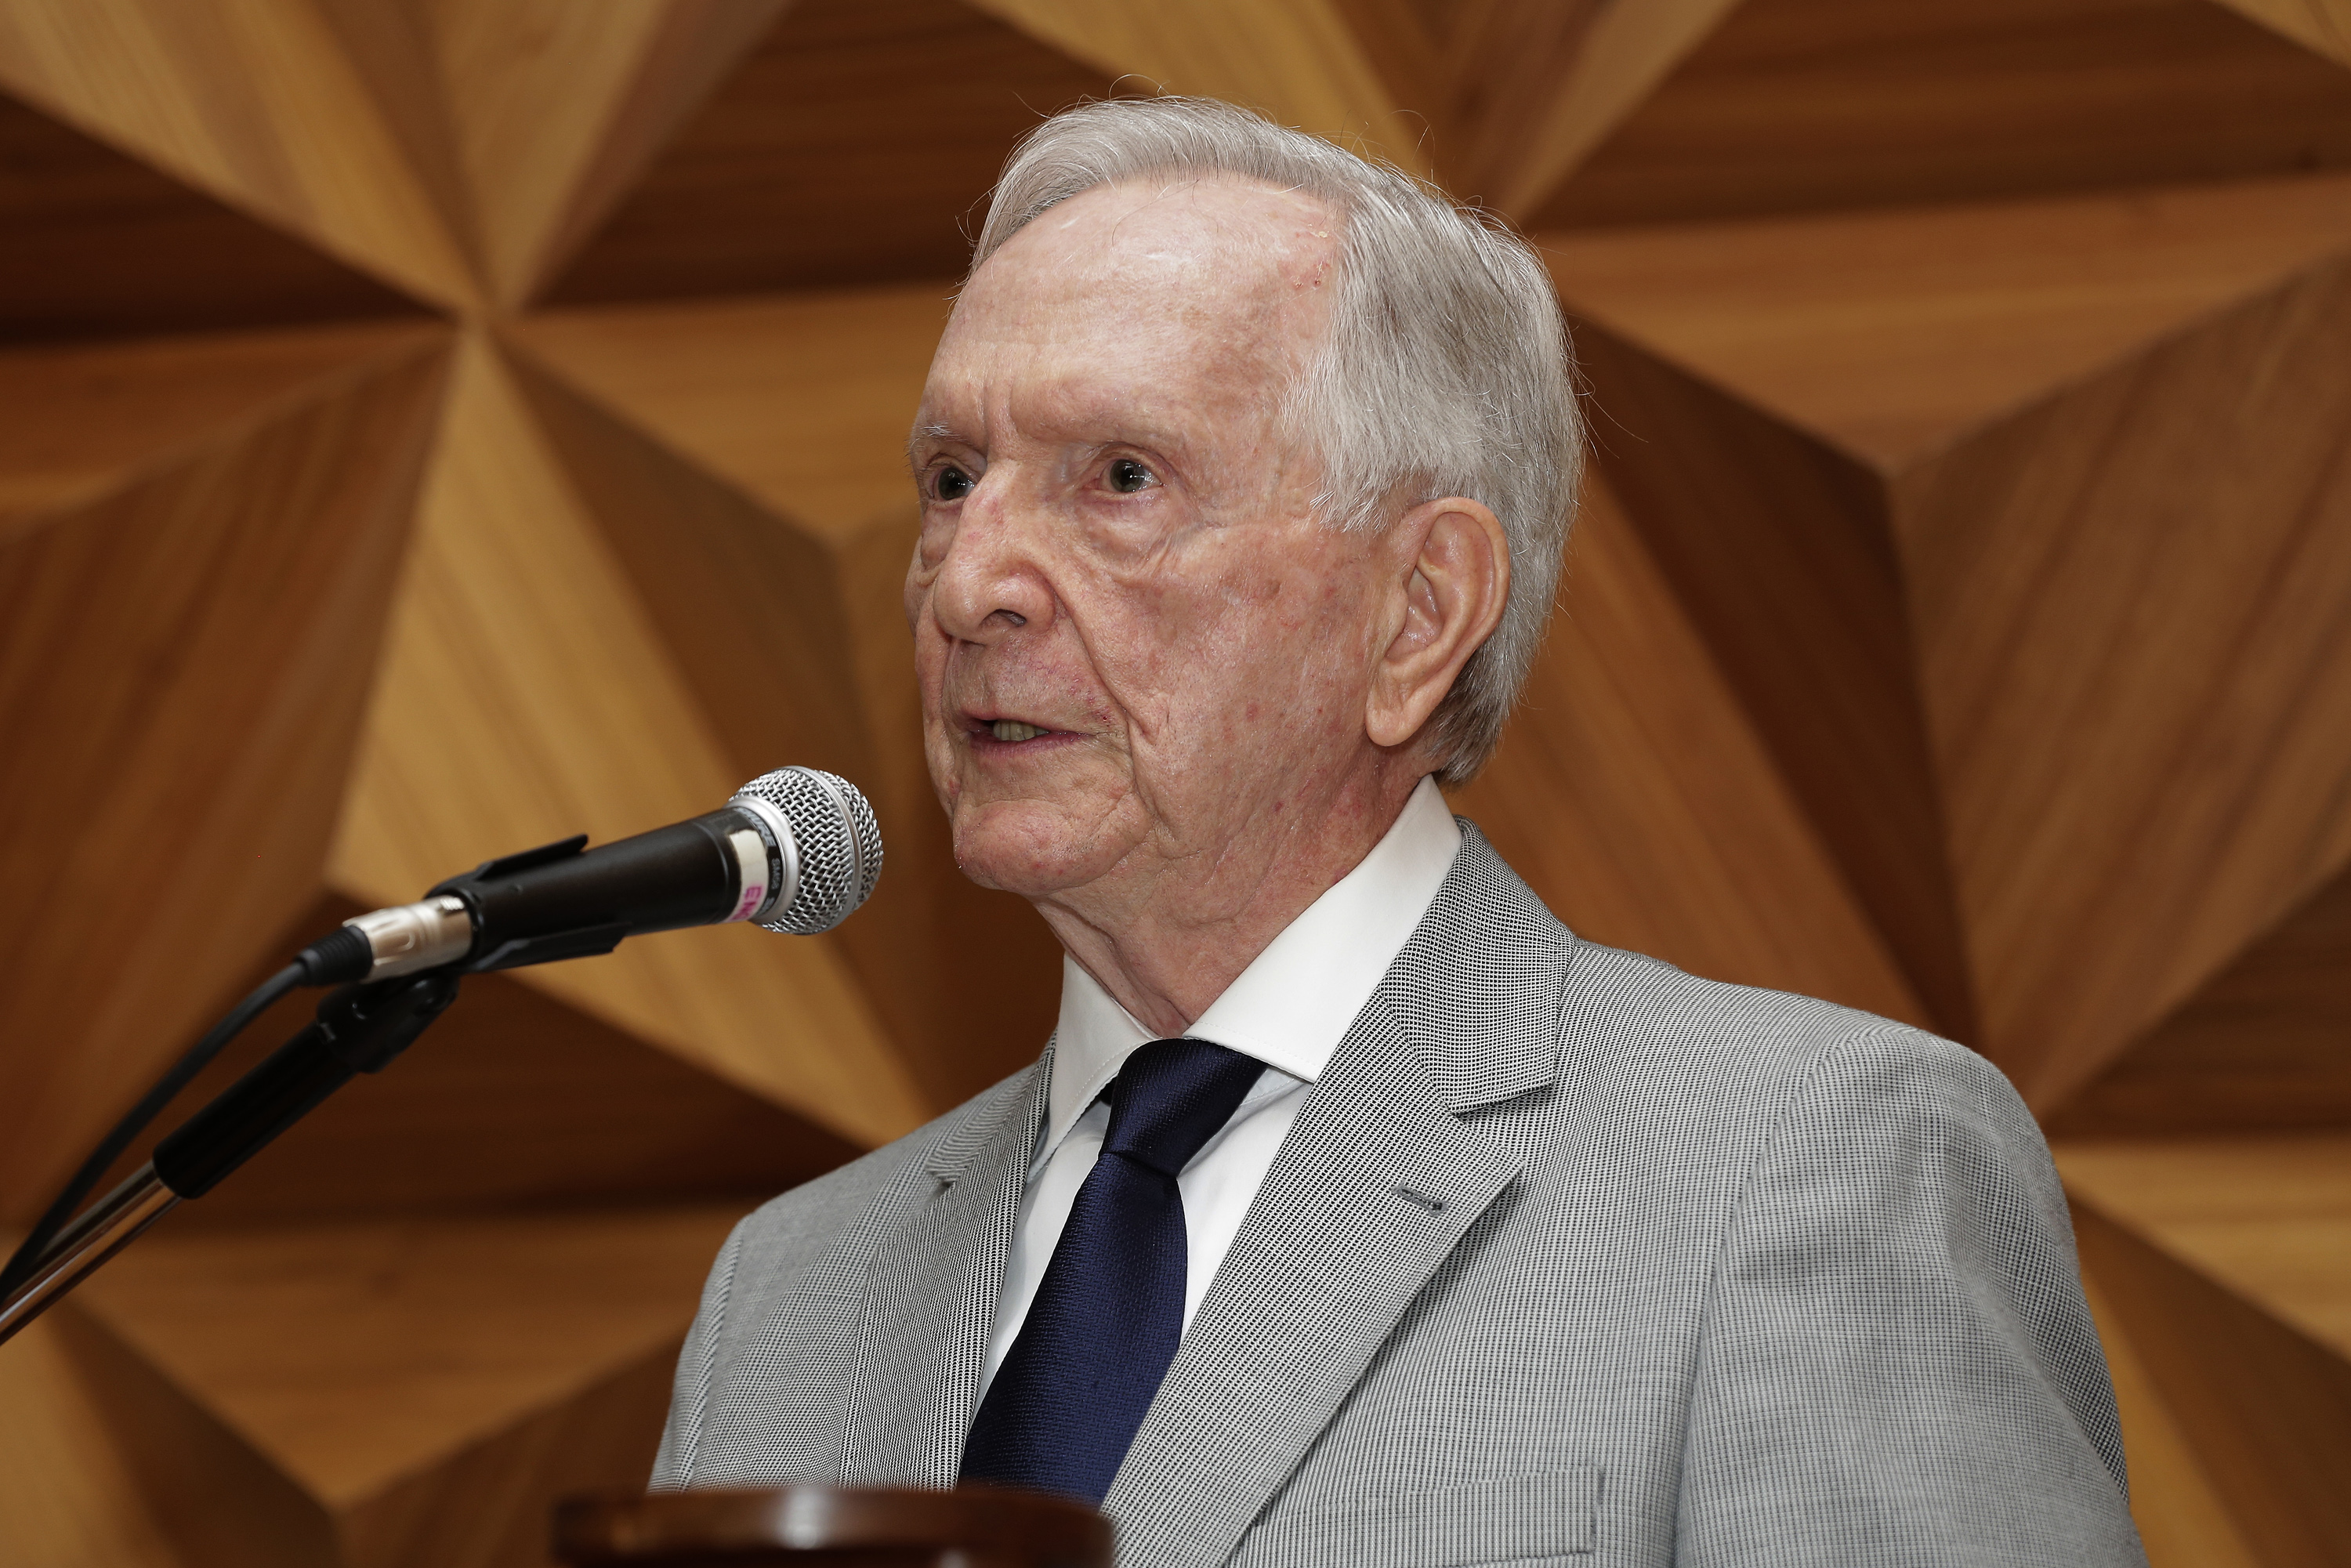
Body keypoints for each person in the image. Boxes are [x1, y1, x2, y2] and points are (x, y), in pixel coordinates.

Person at [652, 97, 2147, 1566]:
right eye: (952, 479)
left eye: (1120, 479)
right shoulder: (787, 1292)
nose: (972, 580)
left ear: (1416, 616)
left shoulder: (1810, 1170)